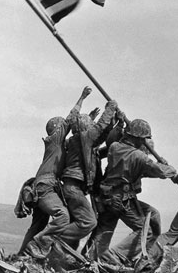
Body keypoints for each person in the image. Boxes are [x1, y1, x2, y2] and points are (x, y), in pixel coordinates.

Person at [86, 119, 177, 265]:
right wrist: (170, 168)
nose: (144, 142)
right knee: (146, 231)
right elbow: (160, 172)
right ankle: (117, 256)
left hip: (106, 196)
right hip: (122, 199)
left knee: (107, 228)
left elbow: (140, 170)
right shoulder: (139, 156)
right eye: (143, 139)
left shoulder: (114, 148)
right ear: (138, 138)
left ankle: (92, 257)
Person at [18, 86, 92, 258]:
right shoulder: (55, 140)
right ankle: (38, 245)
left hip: (43, 186)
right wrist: (82, 97)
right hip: (45, 186)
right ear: (57, 128)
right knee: (62, 216)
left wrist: (90, 120)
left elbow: (77, 130)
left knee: (38, 225)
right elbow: (70, 118)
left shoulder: (57, 145)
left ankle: (22, 256)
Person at [57, 98, 119, 249]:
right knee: (89, 222)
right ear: (86, 127)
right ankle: (50, 238)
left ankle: (62, 253)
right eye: (90, 125)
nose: (93, 127)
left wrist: (116, 123)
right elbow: (100, 127)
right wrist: (110, 107)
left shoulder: (80, 142)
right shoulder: (84, 138)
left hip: (73, 188)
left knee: (76, 225)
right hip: (73, 188)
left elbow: (103, 135)